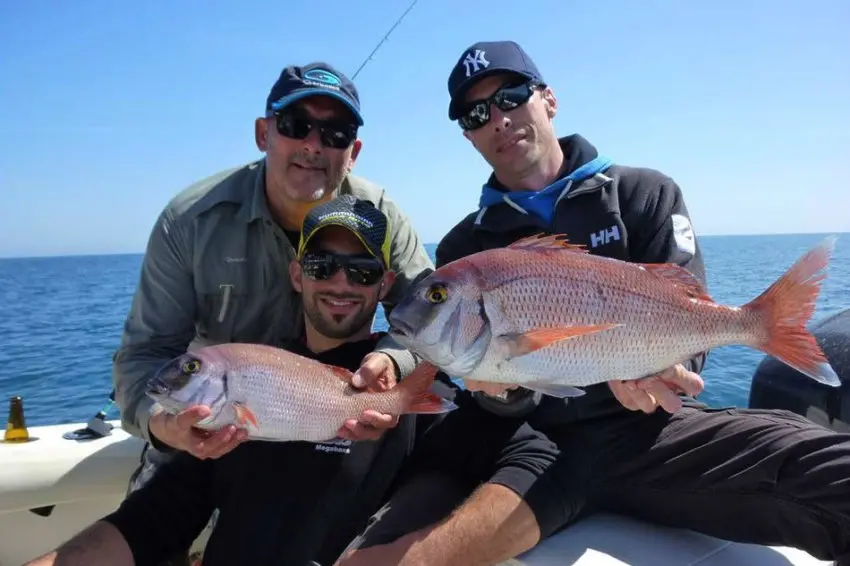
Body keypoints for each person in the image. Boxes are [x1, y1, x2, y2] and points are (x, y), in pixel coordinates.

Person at [336, 40, 850, 566]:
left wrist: (670, 372)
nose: (499, 118)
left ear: (549, 99)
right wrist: (497, 395)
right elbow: (480, 385)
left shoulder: (645, 194)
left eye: (512, 96)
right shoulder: (463, 248)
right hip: (524, 446)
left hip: (654, 433)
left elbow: (688, 313)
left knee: (835, 473)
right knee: (375, 558)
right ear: (468, 134)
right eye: (477, 113)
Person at [26, 196, 558, 566]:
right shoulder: (238, 378)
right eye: (323, 265)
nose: (341, 284)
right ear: (297, 273)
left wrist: (406, 557)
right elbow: (156, 518)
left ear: (386, 284)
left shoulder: (408, 386)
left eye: (363, 271)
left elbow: (539, 460)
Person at [112, 62, 433, 485]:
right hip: (210, 426)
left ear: (352, 153)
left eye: (335, 134)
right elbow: (144, 355)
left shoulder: (382, 219)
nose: (313, 145)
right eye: (295, 125)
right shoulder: (190, 221)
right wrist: (163, 426)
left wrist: (390, 359)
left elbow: (435, 320)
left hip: (330, 425)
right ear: (264, 134)